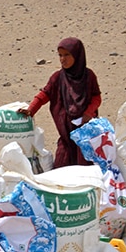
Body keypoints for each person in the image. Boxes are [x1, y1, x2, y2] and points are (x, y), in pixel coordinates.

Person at [18, 37, 102, 168]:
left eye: (67, 55)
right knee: (61, 169)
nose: (63, 59)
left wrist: (88, 113)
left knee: (86, 170)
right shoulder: (57, 77)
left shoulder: (88, 76)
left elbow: (96, 97)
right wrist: (31, 110)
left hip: (86, 135)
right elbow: (44, 94)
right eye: (60, 55)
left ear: (77, 55)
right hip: (66, 136)